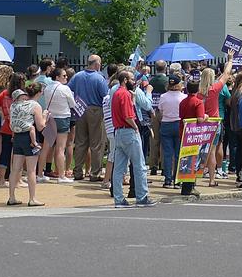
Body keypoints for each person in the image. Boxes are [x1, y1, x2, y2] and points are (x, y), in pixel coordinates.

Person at [110, 70, 158, 207]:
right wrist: (135, 127)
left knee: (119, 168)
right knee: (140, 165)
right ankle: (142, 196)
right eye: (131, 79)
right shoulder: (124, 94)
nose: (134, 82)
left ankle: (119, 199)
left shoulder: (116, 93)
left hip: (118, 131)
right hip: (129, 131)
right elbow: (128, 116)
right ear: (125, 80)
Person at [69, 54, 109, 182]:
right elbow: (105, 95)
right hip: (95, 110)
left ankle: (78, 171)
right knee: (96, 143)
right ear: (97, 64)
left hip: (80, 108)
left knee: (80, 142)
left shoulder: (77, 76)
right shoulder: (99, 78)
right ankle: (94, 173)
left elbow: (69, 89)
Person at [7, 83, 46, 207]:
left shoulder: (13, 105)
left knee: (15, 169)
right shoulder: (35, 106)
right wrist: (45, 117)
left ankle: (12, 197)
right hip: (29, 137)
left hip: (17, 137)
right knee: (31, 170)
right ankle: (32, 198)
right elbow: (40, 126)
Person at [39, 67, 78, 184]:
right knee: (60, 148)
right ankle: (61, 175)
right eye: (64, 76)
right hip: (62, 118)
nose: (66, 77)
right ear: (57, 77)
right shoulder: (65, 88)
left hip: (50, 118)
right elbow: (73, 103)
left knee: (46, 147)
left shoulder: (47, 88)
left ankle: (40, 173)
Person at [158, 73, 185, 188]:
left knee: (168, 154)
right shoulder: (183, 97)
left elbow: (161, 111)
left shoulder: (163, 96)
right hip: (178, 123)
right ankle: (177, 180)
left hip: (166, 124)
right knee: (179, 153)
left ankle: (168, 179)